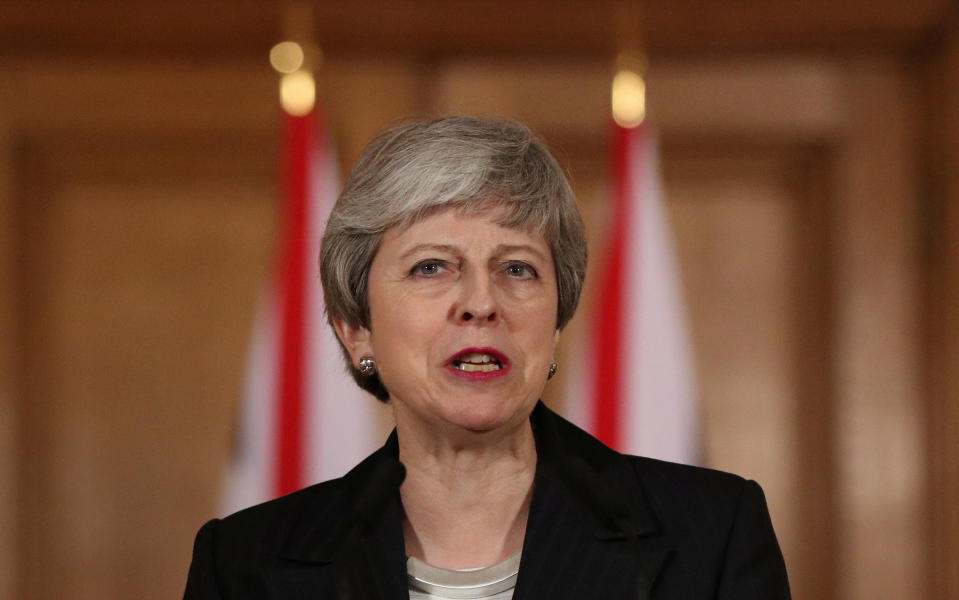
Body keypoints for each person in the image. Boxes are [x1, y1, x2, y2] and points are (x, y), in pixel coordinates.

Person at [183, 116, 790, 599]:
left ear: (555, 324)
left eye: (517, 268)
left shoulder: (711, 537)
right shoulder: (246, 566)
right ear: (355, 328)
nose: (480, 302)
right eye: (431, 267)